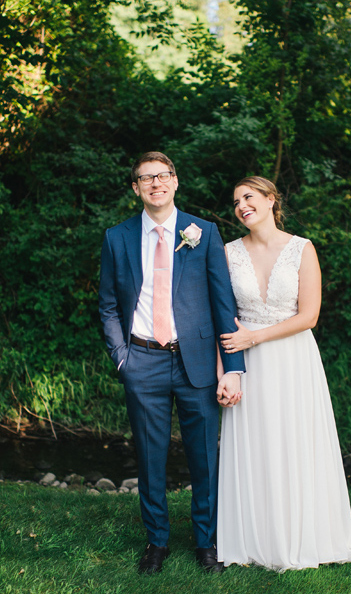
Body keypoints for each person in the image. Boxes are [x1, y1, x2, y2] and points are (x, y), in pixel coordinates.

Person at [216, 176, 351, 571]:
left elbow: (309, 315)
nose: (241, 205)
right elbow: (221, 316)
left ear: (270, 200)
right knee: (258, 445)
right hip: (246, 363)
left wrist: (255, 337)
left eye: (248, 197)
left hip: (293, 359)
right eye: (235, 202)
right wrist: (225, 370)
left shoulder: (302, 248)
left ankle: (304, 533)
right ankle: (256, 538)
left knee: (295, 442)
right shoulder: (228, 253)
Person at [98, 152, 245, 575]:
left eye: (162, 176)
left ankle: (206, 542)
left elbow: (223, 303)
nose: (155, 183)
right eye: (146, 178)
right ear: (136, 188)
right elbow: (108, 305)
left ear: (175, 182)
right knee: (150, 456)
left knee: (204, 457)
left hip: (196, 361)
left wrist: (232, 366)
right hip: (141, 359)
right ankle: (156, 541)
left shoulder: (205, 233)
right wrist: (122, 358)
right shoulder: (117, 237)